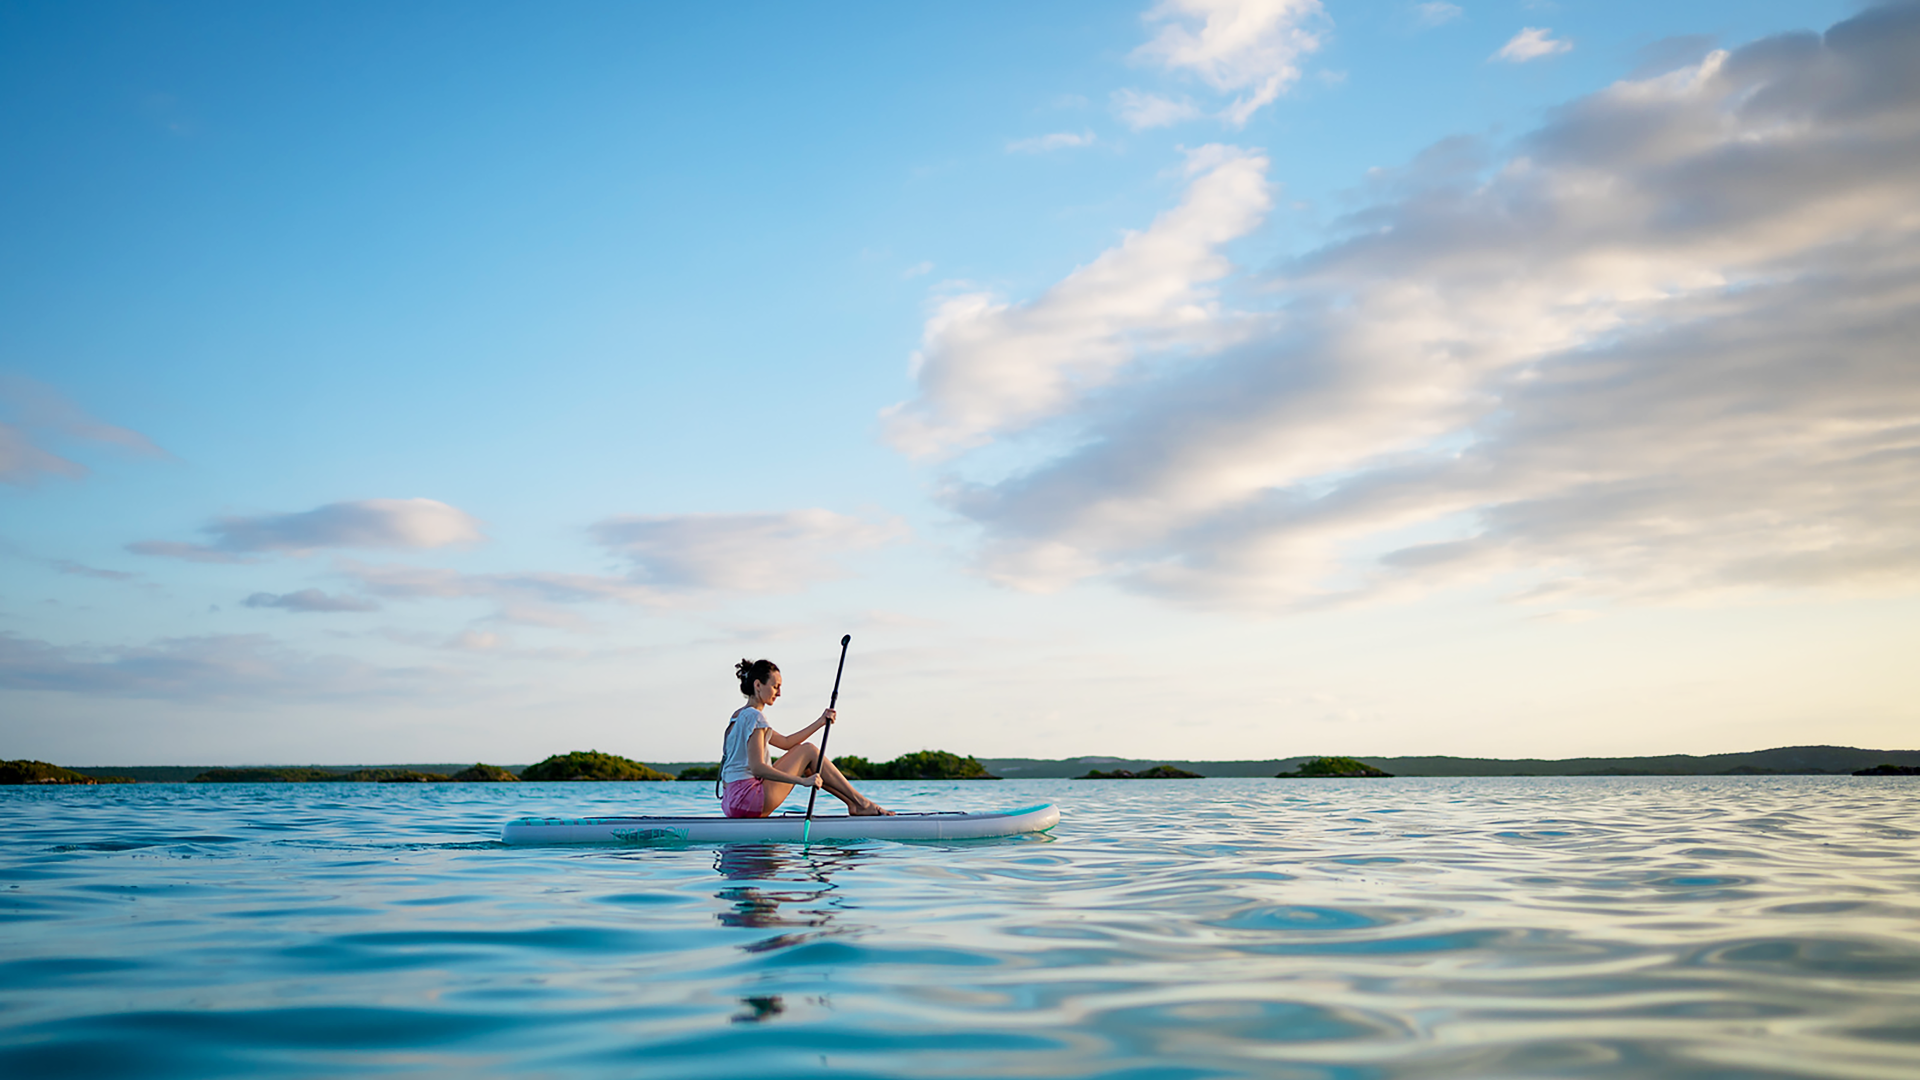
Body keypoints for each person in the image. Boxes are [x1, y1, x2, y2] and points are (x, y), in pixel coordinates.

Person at [720, 658, 891, 818]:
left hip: (731, 801)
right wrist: (802, 781)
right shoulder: (755, 717)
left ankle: (855, 804)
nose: (779, 693)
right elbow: (758, 768)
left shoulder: (738, 716)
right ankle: (861, 803)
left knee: (807, 758)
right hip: (747, 799)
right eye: (775, 686)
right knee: (808, 750)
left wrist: (820, 722)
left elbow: (786, 743)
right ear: (758, 685)